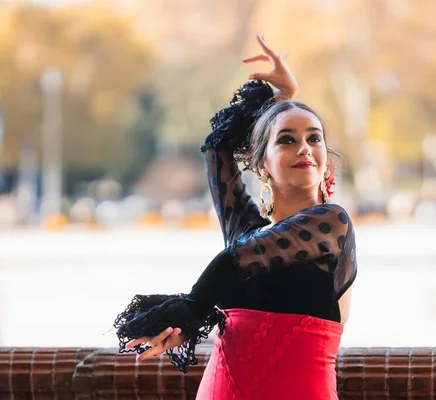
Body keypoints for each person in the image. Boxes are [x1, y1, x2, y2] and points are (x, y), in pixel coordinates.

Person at [113, 34, 358, 400]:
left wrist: (190, 308)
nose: (304, 147)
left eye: (314, 138)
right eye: (287, 140)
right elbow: (217, 148)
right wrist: (282, 98)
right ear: (261, 164)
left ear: (325, 160)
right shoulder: (245, 231)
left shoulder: (331, 225)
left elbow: (234, 262)